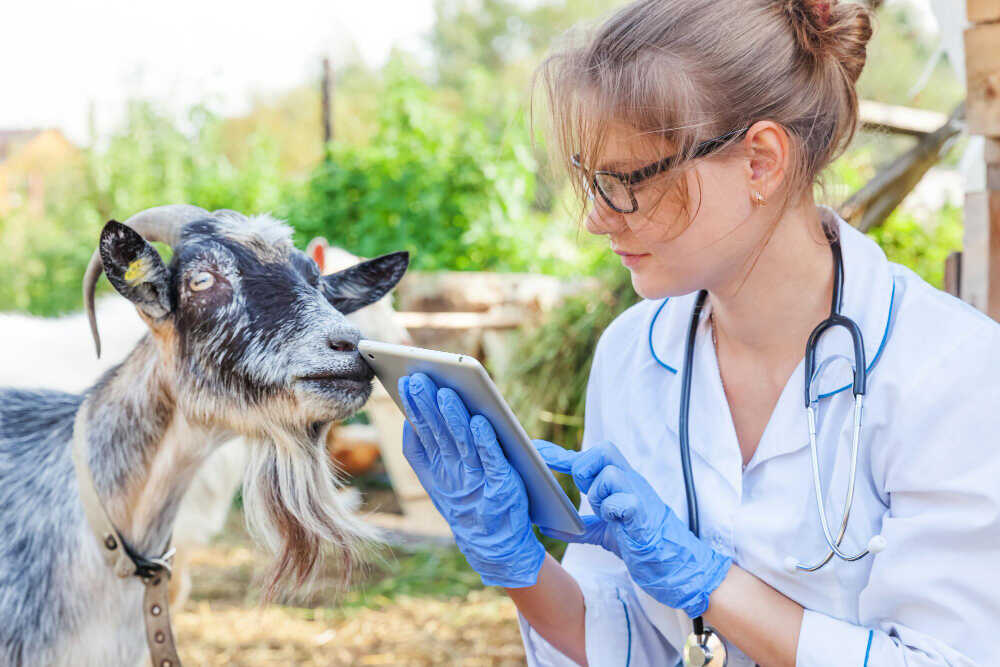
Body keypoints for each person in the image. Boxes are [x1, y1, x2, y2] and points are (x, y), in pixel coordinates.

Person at [396, 0, 1000, 664]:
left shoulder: (954, 371)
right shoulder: (630, 355)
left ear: (760, 162)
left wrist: (714, 586)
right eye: (589, 180)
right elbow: (627, 637)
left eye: (623, 183)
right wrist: (518, 564)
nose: (595, 220)